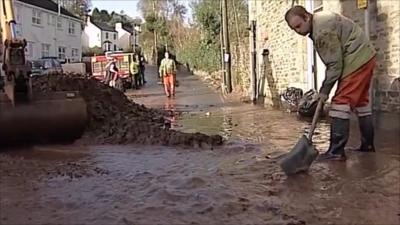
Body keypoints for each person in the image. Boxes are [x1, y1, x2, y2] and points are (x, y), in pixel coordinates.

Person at [285, 6, 376, 161]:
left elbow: (334, 65)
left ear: (307, 17)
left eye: (299, 26)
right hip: (367, 56)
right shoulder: (321, 19)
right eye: (294, 29)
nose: (298, 31)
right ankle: (367, 145)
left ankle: (336, 152)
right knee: (362, 103)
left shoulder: (322, 31)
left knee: (340, 103)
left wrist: (324, 92)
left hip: (356, 59)